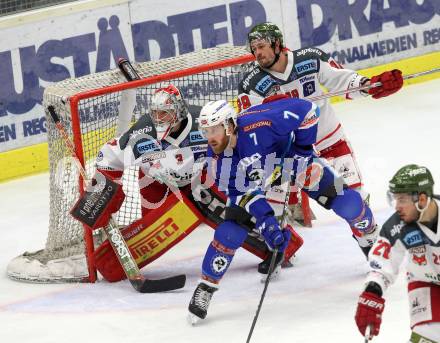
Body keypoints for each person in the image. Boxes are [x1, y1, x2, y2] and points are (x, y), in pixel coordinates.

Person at [188, 96, 377, 323]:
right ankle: (206, 287)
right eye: (205, 131)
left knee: (349, 202)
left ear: (229, 124)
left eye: (214, 130)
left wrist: (303, 149)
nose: (210, 138)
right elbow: (242, 193)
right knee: (230, 231)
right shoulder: (219, 160)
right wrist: (266, 220)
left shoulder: (261, 122)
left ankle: (371, 242)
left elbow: (309, 110)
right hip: (260, 180)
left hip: (295, 163)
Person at [92, 84, 299, 282]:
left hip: (198, 182)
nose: (158, 118)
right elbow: (107, 156)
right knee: (150, 231)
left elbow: (235, 146)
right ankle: (107, 263)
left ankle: (280, 246)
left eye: (165, 112)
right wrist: (102, 190)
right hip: (155, 184)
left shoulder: (204, 126)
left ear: (179, 111)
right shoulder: (141, 133)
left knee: (234, 207)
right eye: (155, 112)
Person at [238, 22, 403, 253]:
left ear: (277, 44)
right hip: (291, 153)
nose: (258, 53)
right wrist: (269, 113)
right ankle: (282, 250)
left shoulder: (310, 59)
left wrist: (369, 85)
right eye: (254, 49)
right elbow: (248, 123)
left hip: (329, 140)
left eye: (262, 46)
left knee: (355, 199)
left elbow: (342, 80)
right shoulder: (251, 83)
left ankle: (370, 246)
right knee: (273, 208)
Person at [355, 164, 440, 342]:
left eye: (402, 200)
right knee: (428, 335)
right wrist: (372, 293)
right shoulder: (395, 227)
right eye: (395, 199)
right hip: (426, 282)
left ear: (422, 199)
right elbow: (381, 265)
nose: (397, 207)